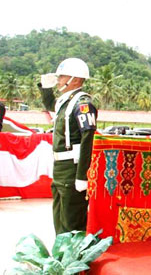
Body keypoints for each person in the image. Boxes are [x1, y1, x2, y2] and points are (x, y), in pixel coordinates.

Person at [38, 58, 97, 234]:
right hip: (61, 168)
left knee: (72, 221)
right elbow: (51, 105)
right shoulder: (67, 101)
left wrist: (82, 176)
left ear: (76, 80)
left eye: (63, 76)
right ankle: (62, 256)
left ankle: (75, 259)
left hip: (73, 168)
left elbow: (88, 138)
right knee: (60, 217)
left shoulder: (83, 104)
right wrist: (46, 89)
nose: (59, 80)